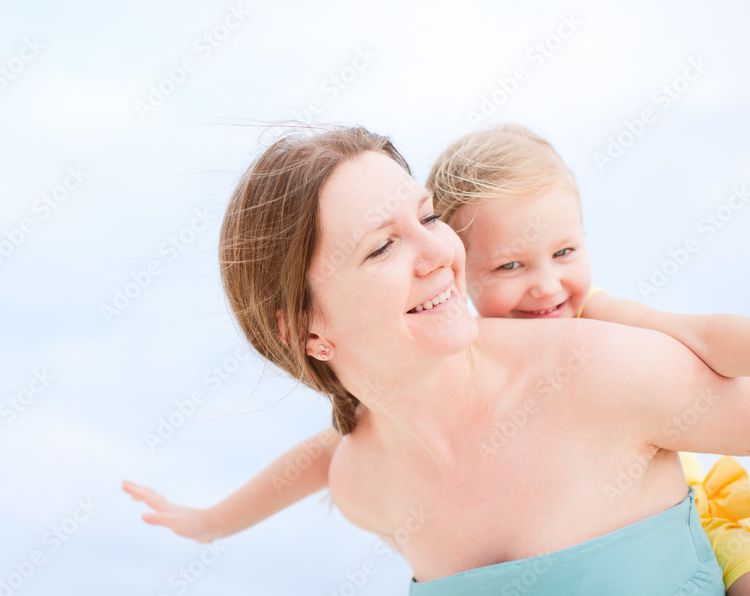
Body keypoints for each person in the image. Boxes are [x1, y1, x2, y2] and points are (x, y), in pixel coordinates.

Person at [125, 125, 750, 594]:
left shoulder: (605, 374)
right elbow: (319, 458)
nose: (438, 253)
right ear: (306, 329)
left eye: (427, 217)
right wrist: (208, 523)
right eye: (382, 247)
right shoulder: (363, 483)